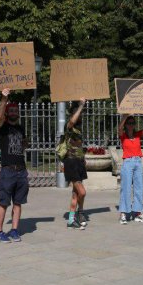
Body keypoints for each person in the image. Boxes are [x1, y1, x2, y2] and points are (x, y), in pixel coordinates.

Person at [0, 88, 29, 243]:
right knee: (4, 202)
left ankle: (14, 230)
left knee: (18, 202)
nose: (14, 112)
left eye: (16, 110)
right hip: (8, 170)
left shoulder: (21, 128)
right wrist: (3, 98)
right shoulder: (3, 126)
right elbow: (0, 116)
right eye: (12, 110)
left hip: (21, 170)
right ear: (8, 113)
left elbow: (24, 145)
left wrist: (25, 143)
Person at [117, 114, 143, 225]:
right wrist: (125, 117)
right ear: (126, 125)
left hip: (138, 162)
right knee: (126, 188)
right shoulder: (123, 135)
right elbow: (119, 128)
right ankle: (123, 213)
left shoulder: (138, 135)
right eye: (129, 123)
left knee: (138, 188)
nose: (131, 125)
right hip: (127, 162)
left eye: (133, 123)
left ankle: (137, 212)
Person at [64, 98, 88, 230]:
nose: (80, 115)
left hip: (79, 162)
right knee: (82, 192)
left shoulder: (79, 130)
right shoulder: (69, 126)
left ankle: (71, 220)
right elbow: (72, 121)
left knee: (75, 194)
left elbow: (78, 146)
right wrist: (81, 106)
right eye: (77, 113)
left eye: (81, 113)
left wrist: (83, 158)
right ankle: (81, 212)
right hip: (71, 162)